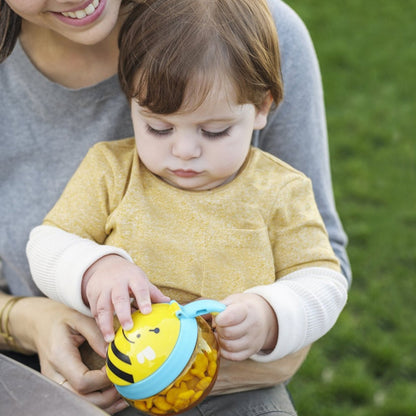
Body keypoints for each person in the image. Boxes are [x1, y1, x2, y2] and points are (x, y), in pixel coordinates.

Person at [0, 0, 351, 414]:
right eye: (159, 128)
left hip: (237, 394)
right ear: (129, 95)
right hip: (104, 392)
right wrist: (95, 268)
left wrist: (273, 315)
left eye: (216, 131)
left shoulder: (279, 189)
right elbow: (47, 242)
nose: (184, 152)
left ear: (262, 108)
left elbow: (323, 277)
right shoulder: (113, 169)